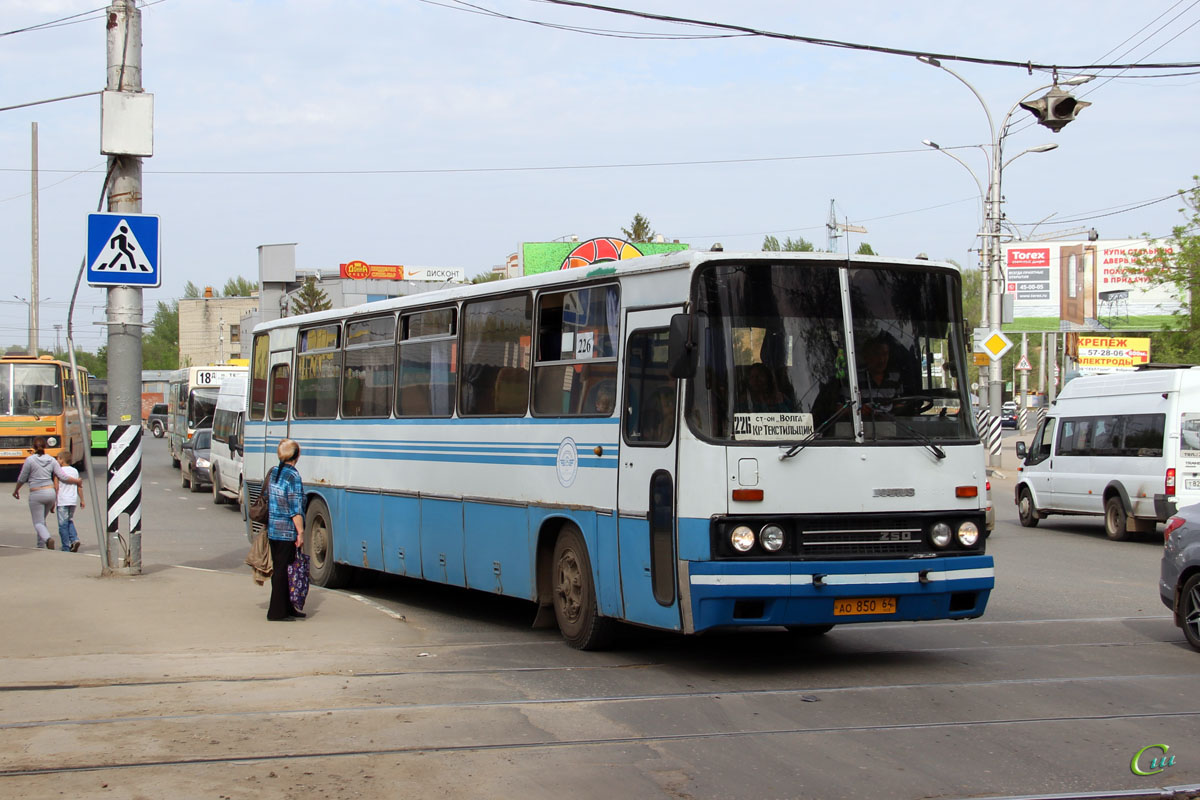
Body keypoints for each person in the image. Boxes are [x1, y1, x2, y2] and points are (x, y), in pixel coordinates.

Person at [12, 437, 83, 550]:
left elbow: (22, 477)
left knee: (38, 522)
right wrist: (76, 481)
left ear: (33, 447)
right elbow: (62, 476)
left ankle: (47, 539)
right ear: (45, 447)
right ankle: (40, 545)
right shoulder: (52, 460)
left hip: (36, 494)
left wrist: (16, 490)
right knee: (41, 520)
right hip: (50, 493)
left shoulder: (30, 460)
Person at [267, 438, 306, 621]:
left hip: (273, 528)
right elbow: (295, 508)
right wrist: (300, 532)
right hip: (286, 531)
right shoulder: (293, 476)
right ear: (296, 456)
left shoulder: (275, 471)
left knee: (281, 568)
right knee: (284, 571)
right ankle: (276, 612)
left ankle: (288, 608)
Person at [858, 337, 906, 418]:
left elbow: (900, 403)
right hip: (861, 427)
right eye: (877, 354)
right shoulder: (855, 378)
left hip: (890, 427)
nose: (882, 360)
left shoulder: (895, 378)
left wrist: (899, 409)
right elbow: (840, 407)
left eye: (885, 354)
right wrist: (859, 410)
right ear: (866, 356)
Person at [53, 451, 85, 552]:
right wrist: (82, 500)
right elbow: (79, 486)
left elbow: (56, 487)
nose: (56, 461)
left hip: (62, 500)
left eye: (58, 459)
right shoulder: (75, 471)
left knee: (62, 524)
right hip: (72, 500)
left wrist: (54, 501)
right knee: (69, 520)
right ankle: (74, 539)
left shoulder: (58, 471)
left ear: (62, 460)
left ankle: (65, 546)